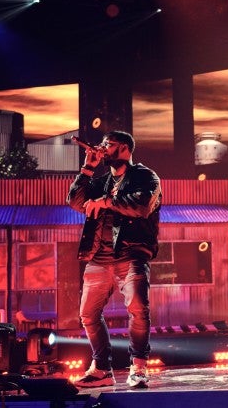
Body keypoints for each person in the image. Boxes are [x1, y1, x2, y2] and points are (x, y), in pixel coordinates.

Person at [67, 130, 161, 389]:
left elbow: (142, 205)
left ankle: (138, 368)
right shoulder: (100, 181)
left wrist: (106, 202)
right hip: (99, 258)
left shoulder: (145, 177)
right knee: (88, 314)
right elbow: (75, 201)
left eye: (109, 144)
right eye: (103, 144)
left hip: (131, 254)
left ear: (125, 148)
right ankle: (101, 369)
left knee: (138, 310)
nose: (103, 148)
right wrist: (87, 168)